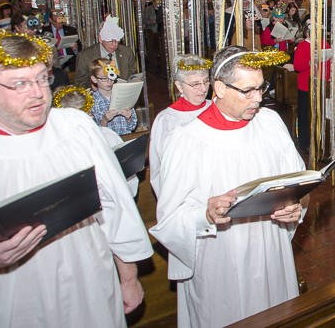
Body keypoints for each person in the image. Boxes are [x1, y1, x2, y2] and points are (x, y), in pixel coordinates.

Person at [0, 31, 152, 326]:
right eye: (20, 84)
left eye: (42, 78)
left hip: (90, 275)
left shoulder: (74, 127)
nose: (38, 93)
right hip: (17, 291)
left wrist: (129, 275)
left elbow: (115, 204)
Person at [150, 45, 305, 327]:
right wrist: (204, 214)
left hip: (270, 249)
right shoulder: (186, 141)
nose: (258, 98)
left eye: (261, 88)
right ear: (219, 88)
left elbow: (295, 182)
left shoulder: (270, 123)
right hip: (218, 257)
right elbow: (170, 218)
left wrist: (297, 207)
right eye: (248, 91)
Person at [149, 55, 212, 197]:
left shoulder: (216, 107)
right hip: (188, 193)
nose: (203, 89)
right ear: (179, 86)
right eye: (195, 84)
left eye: (206, 81)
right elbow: (160, 169)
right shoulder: (168, 120)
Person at [293, 25, 330, 152]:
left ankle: (320, 140)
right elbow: (297, 66)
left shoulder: (324, 44)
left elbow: (328, 64)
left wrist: (327, 78)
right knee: (305, 114)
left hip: (321, 82)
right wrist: (310, 62)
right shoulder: (303, 46)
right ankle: (305, 142)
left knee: (320, 113)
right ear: (308, 33)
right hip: (306, 85)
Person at [75, 16, 137, 88]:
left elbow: (133, 76)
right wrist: (94, 87)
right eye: (110, 41)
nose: (114, 44)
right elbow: (80, 83)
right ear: (100, 39)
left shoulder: (126, 52)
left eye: (116, 40)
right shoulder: (85, 56)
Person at [89, 58, 138, 136]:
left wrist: (128, 118)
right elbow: (95, 133)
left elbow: (132, 126)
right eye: (104, 78)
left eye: (112, 77)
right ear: (94, 79)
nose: (109, 82)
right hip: (108, 142)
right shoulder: (91, 102)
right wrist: (104, 120)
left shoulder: (123, 95)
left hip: (126, 138)